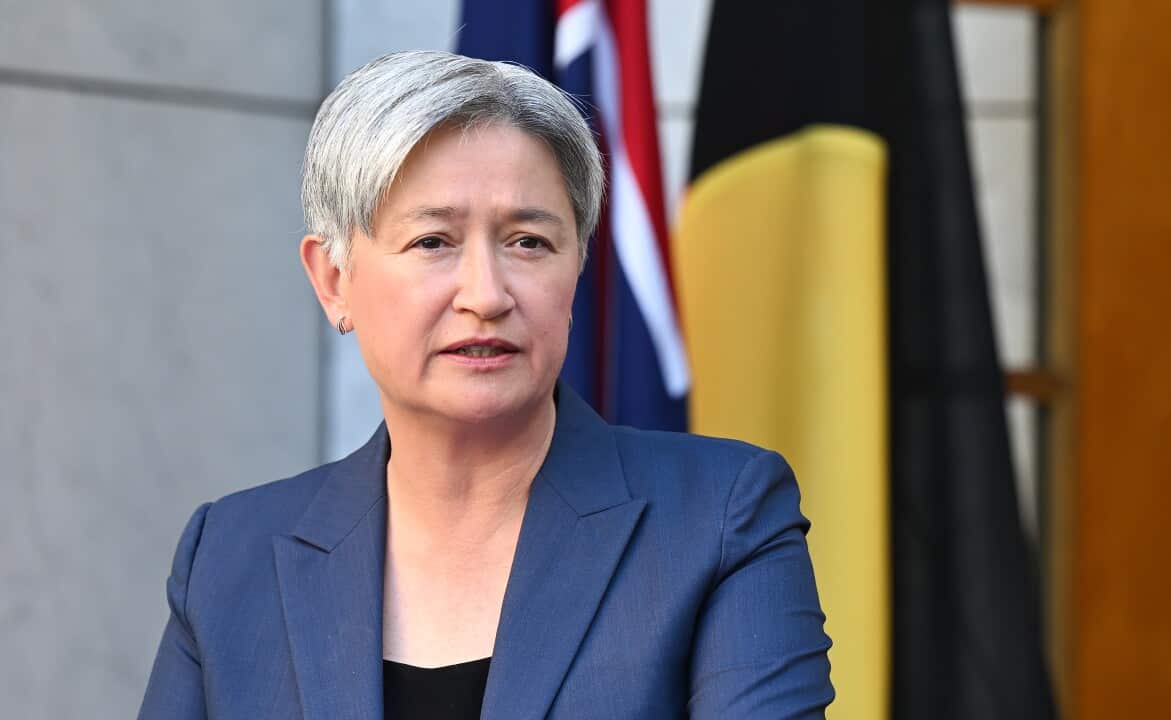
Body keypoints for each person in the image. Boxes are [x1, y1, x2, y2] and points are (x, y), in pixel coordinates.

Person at [138, 50, 833, 719]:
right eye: (433, 242)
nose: (486, 293)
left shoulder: (719, 518)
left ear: (577, 266)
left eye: (528, 242)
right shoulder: (229, 555)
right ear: (334, 280)